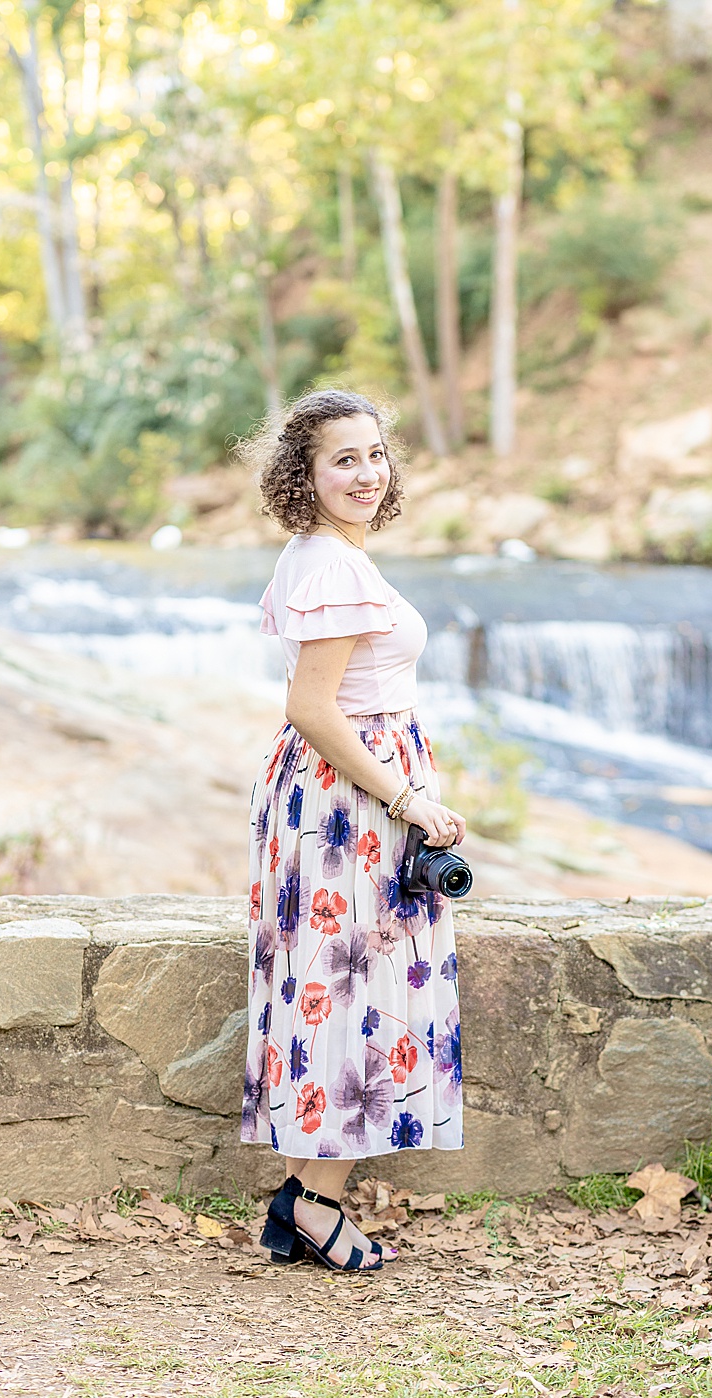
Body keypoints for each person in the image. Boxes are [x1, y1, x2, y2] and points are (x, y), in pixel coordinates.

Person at [237, 389, 465, 1273]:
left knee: (324, 996)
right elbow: (312, 706)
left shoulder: (315, 552)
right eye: (345, 459)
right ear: (307, 471)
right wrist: (409, 799)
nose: (367, 473)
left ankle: (300, 1202)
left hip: (329, 799)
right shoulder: (331, 565)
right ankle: (320, 1207)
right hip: (353, 810)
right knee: (352, 1000)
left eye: (375, 454)